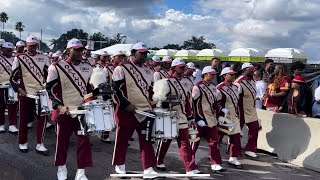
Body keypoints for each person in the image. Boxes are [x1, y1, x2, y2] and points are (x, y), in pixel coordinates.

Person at [111, 42, 162, 179]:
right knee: (122, 138)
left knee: (147, 139)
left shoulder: (149, 70)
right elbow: (115, 89)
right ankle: (119, 164)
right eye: (142, 53)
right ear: (133, 53)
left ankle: (148, 168)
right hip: (127, 110)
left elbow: (150, 90)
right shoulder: (122, 68)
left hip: (145, 110)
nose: (145, 55)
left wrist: (155, 101)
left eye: (146, 53)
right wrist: (125, 104)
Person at [47, 38, 94, 180]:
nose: (80, 52)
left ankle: (81, 171)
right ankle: (61, 167)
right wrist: (59, 105)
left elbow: (88, 89)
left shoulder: (88, 67)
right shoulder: (56, 67)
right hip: (65, 111)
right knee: (62, 141)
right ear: (68, 50)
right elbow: (50, 90)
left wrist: (91, 101)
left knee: (84, 141)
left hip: (81, 111)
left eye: (81, 49)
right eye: (77, 50)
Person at [155, 58, 201, 174]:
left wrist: (190, 116)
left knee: (185, 143)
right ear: (174, 68)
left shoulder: (185, 82)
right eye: (180, 67)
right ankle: (158, 160)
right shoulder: (165, 82)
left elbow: (186, 101)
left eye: (184, 67)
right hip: (169, 116)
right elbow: (159, 101)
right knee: (165, 141)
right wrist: (171, 102)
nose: (183, 69)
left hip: (182, 116)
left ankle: (190, 168)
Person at [10, 35, 50, 155]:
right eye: (30, 46)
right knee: (23, 119)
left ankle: (40, 144)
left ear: (37, 46)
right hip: (25, 93)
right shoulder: (20, 58)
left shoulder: (44, 58)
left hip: (40, 93)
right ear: (26, 45)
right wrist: (19, 89)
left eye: (34, 46)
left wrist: (46, 86)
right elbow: (12, 78)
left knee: (43, 118)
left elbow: (49, 75)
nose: (32, 48)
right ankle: (23, 142)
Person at [191, 66, 228, 172]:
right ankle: (190, 163)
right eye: (210, 74)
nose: (212, 76)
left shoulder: (213, 87)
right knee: (194, 142)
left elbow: (214, 103)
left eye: (213, 74)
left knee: (214, 141)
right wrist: (198, 118)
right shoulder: (197, 87)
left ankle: (215, 163)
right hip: (200, 118)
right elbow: (194, 103)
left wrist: (221, 109)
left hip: (210, 118)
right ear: (205, 74)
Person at [217, 67, 243, 169]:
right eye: (230, 74)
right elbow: (215, 103)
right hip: (223, 116)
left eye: (233, 74)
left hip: (234, 116)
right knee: (218, 137)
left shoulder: (236, 87)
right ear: (224, 76)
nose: (233, 76)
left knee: (235, 137)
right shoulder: (219, 88)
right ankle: (213, 155)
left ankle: (233, 157)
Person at [100, 50, 126, 144]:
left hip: (120, 95)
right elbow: (103, 82)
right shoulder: (108, 68)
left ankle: (122, 137)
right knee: (109, 116)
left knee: (120, 116)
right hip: (110, 95)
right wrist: (106, 95)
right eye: (119, 57)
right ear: (113, 57)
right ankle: (105, 135)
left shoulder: (123, 68)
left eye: (122, 57)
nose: (121, 59)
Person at [236, 63, 261, 158]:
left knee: (255, 127)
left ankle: (250, 149)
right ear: (244, 70)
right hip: (241, 108)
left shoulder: (252, 81)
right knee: (237, 130)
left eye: (252, 69)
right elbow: (236, 95)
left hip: (251, 109)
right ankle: (234, 149)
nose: (252, 71)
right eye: (249, 69)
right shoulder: (239, 81)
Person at [0, 42, 19, 133]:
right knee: (1, 106)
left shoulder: (15, 59)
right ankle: (1, 124)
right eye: (8, 50)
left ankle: (12, 124)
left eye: (11, 51)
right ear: (2, 49)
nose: (10, 52)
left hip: (12, 86)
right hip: (1, 86)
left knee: (13, 106)